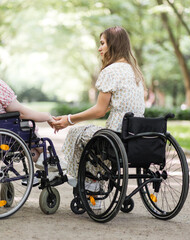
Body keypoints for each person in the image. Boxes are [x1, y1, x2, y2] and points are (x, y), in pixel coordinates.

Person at [53, 26, 146, 188]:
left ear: (113, 45)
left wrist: (69, 119)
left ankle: (88, 181)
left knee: (77, 132)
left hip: (116, 135)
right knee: (91, 136)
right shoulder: (135, 71)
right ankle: (90, 179)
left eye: (102, 43)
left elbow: (100, 111)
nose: (99, 48)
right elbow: (120, 104)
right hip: (136, 134)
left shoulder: (111, 71)